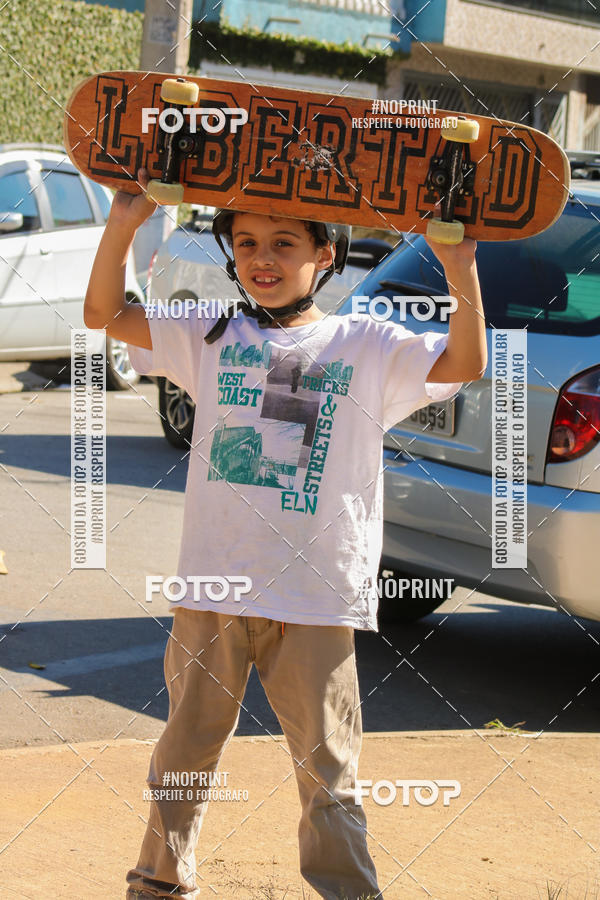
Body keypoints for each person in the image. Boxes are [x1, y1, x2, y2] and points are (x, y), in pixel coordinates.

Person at [84, 168, 487, 900]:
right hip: (213, 584)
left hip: (315, 595)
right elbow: (105, 314)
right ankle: (158, 883)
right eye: (245, 244)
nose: (261, 258)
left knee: (327, 767)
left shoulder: (365, 342)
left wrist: (459, 270)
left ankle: (348, 893)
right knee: (185, 748)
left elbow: (464, 362)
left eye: (282, 243)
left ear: (325, 255)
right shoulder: (210, 331)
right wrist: (123, 224)